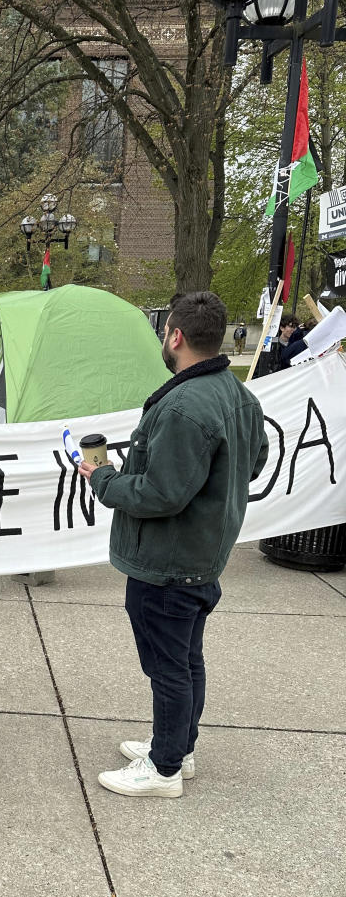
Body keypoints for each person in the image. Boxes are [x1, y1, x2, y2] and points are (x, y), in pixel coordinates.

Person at [79, 290, 268, 799]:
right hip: (201, 556)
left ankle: (163, 769)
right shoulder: (236, 393)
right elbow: (254, 462)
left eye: (165, 332)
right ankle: (177, 748)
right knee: (186, 661)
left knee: (168, 667)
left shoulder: (186, 404)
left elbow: (162, 493)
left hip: (168, 562)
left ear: (176, 335)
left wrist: (101, 478)